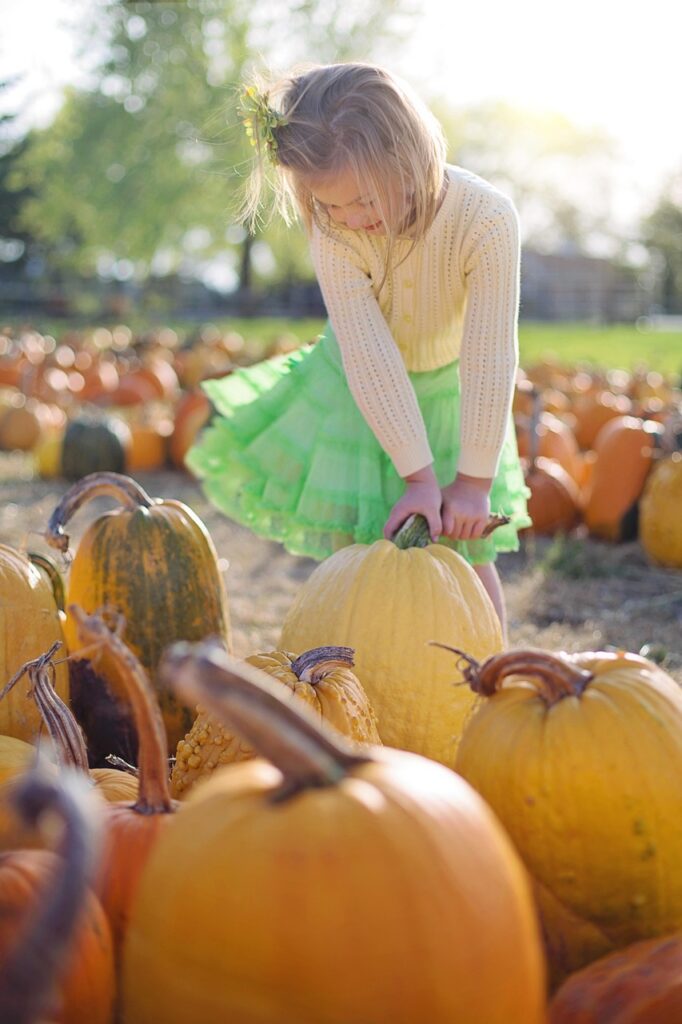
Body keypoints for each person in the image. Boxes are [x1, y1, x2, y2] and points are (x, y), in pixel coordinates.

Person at [186, 62, 531, 638]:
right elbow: (369, 357)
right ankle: (350, 675)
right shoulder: (337, 233)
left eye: (363, 202)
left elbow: (489, 357)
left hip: (451, 391)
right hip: (360, 390)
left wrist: (470, 482)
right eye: (329, 205)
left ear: (409, 160)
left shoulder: (486, 220)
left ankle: (492, 676)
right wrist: (417, 478)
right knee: (360, 547)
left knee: (468, 556)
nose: (348, 219)